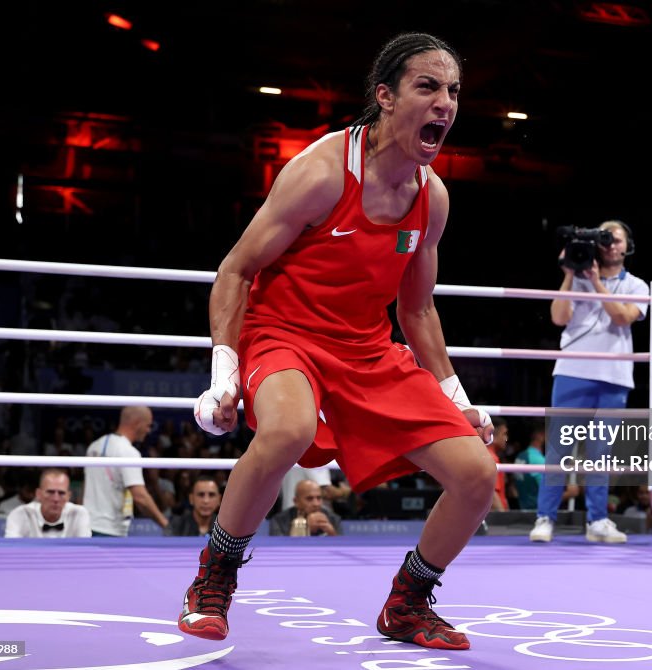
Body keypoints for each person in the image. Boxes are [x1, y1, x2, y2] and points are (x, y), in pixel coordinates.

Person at [180, 33, 495, 651]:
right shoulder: (320, 172)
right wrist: (223, 374)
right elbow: (236, 270)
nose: (445, 103)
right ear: (384, 96)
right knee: (288, 430)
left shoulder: (432, 198)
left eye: (452, 91)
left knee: (476, 475)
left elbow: (417, 307)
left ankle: (408, 603)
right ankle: (213, 577)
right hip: (283, 333)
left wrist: (454, 394)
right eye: (427, 87)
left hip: (368, 349)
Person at [531, 220, 649, 544]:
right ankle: (545, 518)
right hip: (572, 371)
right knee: (559, 449)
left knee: (601, 453)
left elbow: (623, 317)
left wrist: (597, 283)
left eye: (616, 239)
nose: (610, 244)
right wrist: (569, 271)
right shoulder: (575, 281)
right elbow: (558, 317)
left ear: (627, 246)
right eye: (605, 238)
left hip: (613, 376)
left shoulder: (638, 286)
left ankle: (598, 521)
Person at [83, 406, 169, 537]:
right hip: (109, 529)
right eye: (148, 425)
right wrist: (166, 524)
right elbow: (140, 497)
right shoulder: (128, 452)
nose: (149, 430)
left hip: (87, 526)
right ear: (137, 423)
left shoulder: (94, 446)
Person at [4, 468, 91, 538]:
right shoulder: (19, 514)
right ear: (38, 494)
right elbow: (11, 552)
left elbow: (84, 553)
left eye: (61, 493)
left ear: (68, 496)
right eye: (50, 492)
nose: (56, 499)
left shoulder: (79, 514)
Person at [270, 479, 342, 536]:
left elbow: (342, 548)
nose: (316, 504)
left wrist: (332, 533)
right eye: (309, 499)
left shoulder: (333, 519)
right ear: (296, 501)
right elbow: (278, 548)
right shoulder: (279, 520)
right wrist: (305, 528)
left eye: (319, 498)